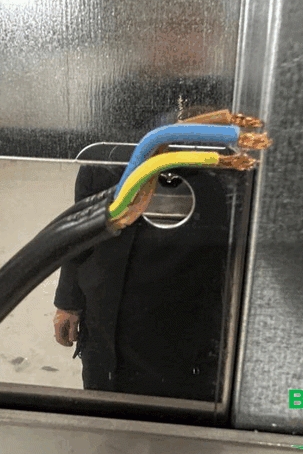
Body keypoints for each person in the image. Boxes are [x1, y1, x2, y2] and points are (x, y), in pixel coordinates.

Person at [53, 162, 229, 401]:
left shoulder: (214, 170)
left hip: (180, 338)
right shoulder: (107, 157)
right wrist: (68, 301)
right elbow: (81, 225)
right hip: (102, 329)